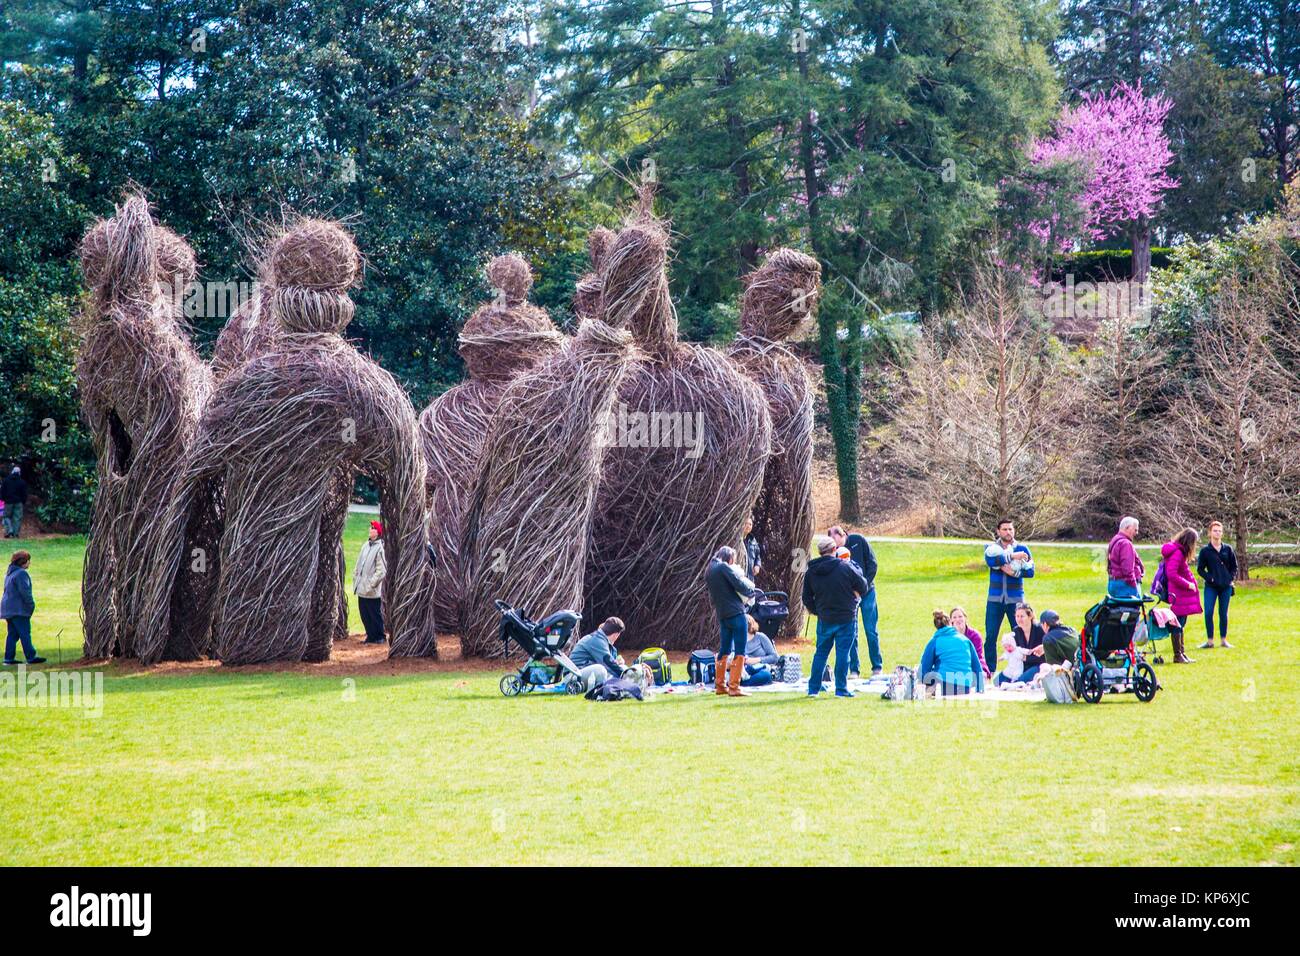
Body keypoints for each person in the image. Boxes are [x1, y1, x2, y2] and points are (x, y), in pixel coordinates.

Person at [801, 535, 870, 698]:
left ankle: (813, 689)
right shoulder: (845, 567)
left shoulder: (811, 571)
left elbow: (806, 598)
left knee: (821, 653)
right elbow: (863, 586)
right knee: (843, 654)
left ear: (819, 552)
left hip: (825, 617)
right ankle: (841, 689)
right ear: (834, 550)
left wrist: (817, 611)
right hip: (846, 617)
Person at [828, 524, 881, 678]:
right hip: (849, 596)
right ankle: (854, 669)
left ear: (840, 535)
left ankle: (876, 666)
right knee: (852, 632)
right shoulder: (834, 553)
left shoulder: (858, 540)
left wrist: (862, 587)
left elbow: (873, 565)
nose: (833, 544)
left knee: (871, 630)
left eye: (833, 539)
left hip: (867, 592)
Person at [983, 519, 1033, 674]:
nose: (1008, 532)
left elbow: (1031, 571)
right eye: (1004, 529)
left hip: (1016, 601)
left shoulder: (1023, 548)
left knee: (1021, 635)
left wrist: (1014, 572)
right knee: (991, 636)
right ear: (998, 531)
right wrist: (1013, 556)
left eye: (1010, 529)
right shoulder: (992, 548)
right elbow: (991, 561)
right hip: (995, 600)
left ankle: (1026, 670)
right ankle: (989, 671)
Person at [705, 545, 757, 697]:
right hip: (736, 612)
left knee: (724, 649)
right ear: (728, 558)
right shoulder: (722, 568)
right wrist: (750, 591)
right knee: (740, 649)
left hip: (722, 614)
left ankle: (720, 685)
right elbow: (737, 583)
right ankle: (734, 686)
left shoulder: (710, 570)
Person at [918, 609, 985, 695]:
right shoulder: (965, 640)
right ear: (950, 623)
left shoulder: (934, 641)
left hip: (944, 685)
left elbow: (924, 668)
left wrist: (923, 684)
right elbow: (977, 667)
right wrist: (980, 689)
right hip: (965, 687)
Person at [1160, 528, 1201, 663]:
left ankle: (1181, 653)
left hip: (1181, 594)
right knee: (1178, 623)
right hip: (1179, 594)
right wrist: (1188, 584)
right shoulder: (1178, 553)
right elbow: (1172, 574)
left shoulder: (1179, 552)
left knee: (1181, 623)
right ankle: (1178, 655)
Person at [1197, 520, 1237, 649]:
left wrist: (1230, 578)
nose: (1217, 533)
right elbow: (1200, 569)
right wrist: (1211, 578)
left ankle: (1224, 640)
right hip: (1211, 587)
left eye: (1219, 531)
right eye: (1215, 530)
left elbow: (1234, 567)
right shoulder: (1205, 551)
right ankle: (1209, 641)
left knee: (1223, 613)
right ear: (1210, 532)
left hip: (1225, 586)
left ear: (1222, 533)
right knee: (1208, 612)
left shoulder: (1228, 549)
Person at [2, 551, 44, 665]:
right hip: (18, 610)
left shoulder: (10, 574)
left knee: (13, 634)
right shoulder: (21, 574)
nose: (29, 563)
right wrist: (31, 605)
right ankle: (31, 656)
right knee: (25, 632)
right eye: (28, 561)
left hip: (7, 609)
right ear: (23, 562)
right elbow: (25, 593)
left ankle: (8, 658)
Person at [353, 520, 387, 644]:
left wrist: (371, 584)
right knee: (365, 614)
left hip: (371, 590)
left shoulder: (379, 548)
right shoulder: (365, 546)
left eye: (373, 528)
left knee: (374, 614)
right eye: (370, 527)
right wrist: (356, 578)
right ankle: (370, 635)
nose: (370, 529)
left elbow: (381, 571)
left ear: (377, 532)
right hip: (362, 588)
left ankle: (379, 636)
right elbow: (358, 564)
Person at [570, 616, 626, 690]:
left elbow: (612, 663)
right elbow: (608, 662)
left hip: (583, 674)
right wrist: (626, 675)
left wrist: (619, 664)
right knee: (600, 670)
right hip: (573, 676)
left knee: (622, 667)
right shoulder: (597, 640)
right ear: (616, 634)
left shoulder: (602, 639)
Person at [994, 602, 1044, 685]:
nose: (1019, 619)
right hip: (1021, 666)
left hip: (1038, 665)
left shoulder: (1039, 630)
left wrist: (1026, 658)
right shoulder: (1016, 631)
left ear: (1030, 616)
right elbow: (1015, 651)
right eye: (1017, 616)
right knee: (997, 681)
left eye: (1022, 616)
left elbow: (1044, 657)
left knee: (1020, 681)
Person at [1107, 516, 1145, 599]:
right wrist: (1134, 586)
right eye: (1135, 530)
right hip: (1125, 585)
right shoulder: (1125, 544)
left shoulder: (1114, 540)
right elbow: (1127, 570)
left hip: (1114, 582)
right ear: (1128, 528)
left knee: (1119, 610)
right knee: (1132, 611)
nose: (1137, 533)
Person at [949, 606, 989, 678]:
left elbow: (978, 656)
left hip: (973, 664)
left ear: (965, 618)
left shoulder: (975, 635)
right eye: (954, 617)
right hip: (955, 666)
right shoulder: (948, 636)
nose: (958, 619)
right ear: (951, 621)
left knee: (981, 675)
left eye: (960, 616)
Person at [741, 614, 779, 686]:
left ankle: (744, 683)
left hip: (759, 668)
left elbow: (775, 657)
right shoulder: (734, 640)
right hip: (743, 669)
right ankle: (742, 681)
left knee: (766, 674)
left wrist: (757, 660)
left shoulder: (760, 637)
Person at [1, 466, 28, 539]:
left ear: (12, 471)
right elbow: (24, 494)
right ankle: (15, 534)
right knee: (17, 518)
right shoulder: (22, 482)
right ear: (19, 473)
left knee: (6, 516)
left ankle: (9, 531)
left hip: (8, 502)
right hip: (18, 502)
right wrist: (23, 501)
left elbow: (2, 491)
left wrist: (3, 499)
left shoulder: (6, 480)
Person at [742, 515, 762, 581]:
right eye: (746, 524)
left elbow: (758, 555)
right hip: (739, 576)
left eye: (750, 524)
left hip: (750, 578)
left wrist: (757, 565)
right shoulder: (737, 540)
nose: (748, 526)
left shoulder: (753, 540)